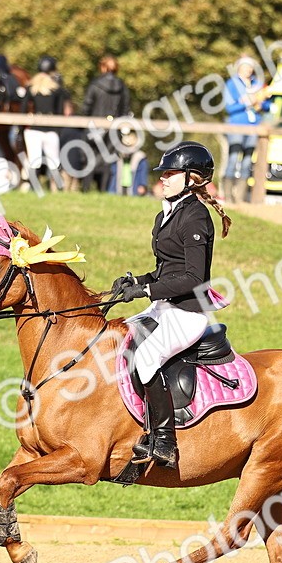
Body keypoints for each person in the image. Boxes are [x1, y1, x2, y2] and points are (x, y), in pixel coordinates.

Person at [111, 142, 233, 468]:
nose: (163, 178)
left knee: (148, 357)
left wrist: (146, 290)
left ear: (193, 178)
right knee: (118, 337)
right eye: (162, 173)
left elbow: (193, 277)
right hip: (165, 306)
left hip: (187, 313)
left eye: (170, 173)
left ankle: (165, 441)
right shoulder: (166, 214)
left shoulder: (195, 217)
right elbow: (167, 269)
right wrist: (136, 281)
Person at [222, 55, 271, 203]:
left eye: (250, 68)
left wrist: (260, 103)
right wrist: (246, 102)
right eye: (245, 67)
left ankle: (241, 198)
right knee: (233, 158)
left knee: (248, 161)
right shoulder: (232, 84)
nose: (248, 70)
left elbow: (268, 105)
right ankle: (228, 196)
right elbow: (229, 108)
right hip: (237, 126)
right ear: (239, 69)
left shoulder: (258, 84)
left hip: (253, 127)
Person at [80, 55, 132, 192]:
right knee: (108, 161)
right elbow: (125, 110)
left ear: (103, 67)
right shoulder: (122, 87)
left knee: (90, 158)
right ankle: (102, 190)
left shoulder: (95, 84)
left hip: (94, 127)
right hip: (113, 129)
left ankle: (85, 189)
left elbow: (86, 107)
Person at [24, 55, 71, 193]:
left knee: (34, 160)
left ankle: (34, 188)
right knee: (54, 161)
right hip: (51, 129)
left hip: (33, 130)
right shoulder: (57, 89)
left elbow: (23, 109)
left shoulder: (31, 87)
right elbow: (60, 112)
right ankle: (58, 188)